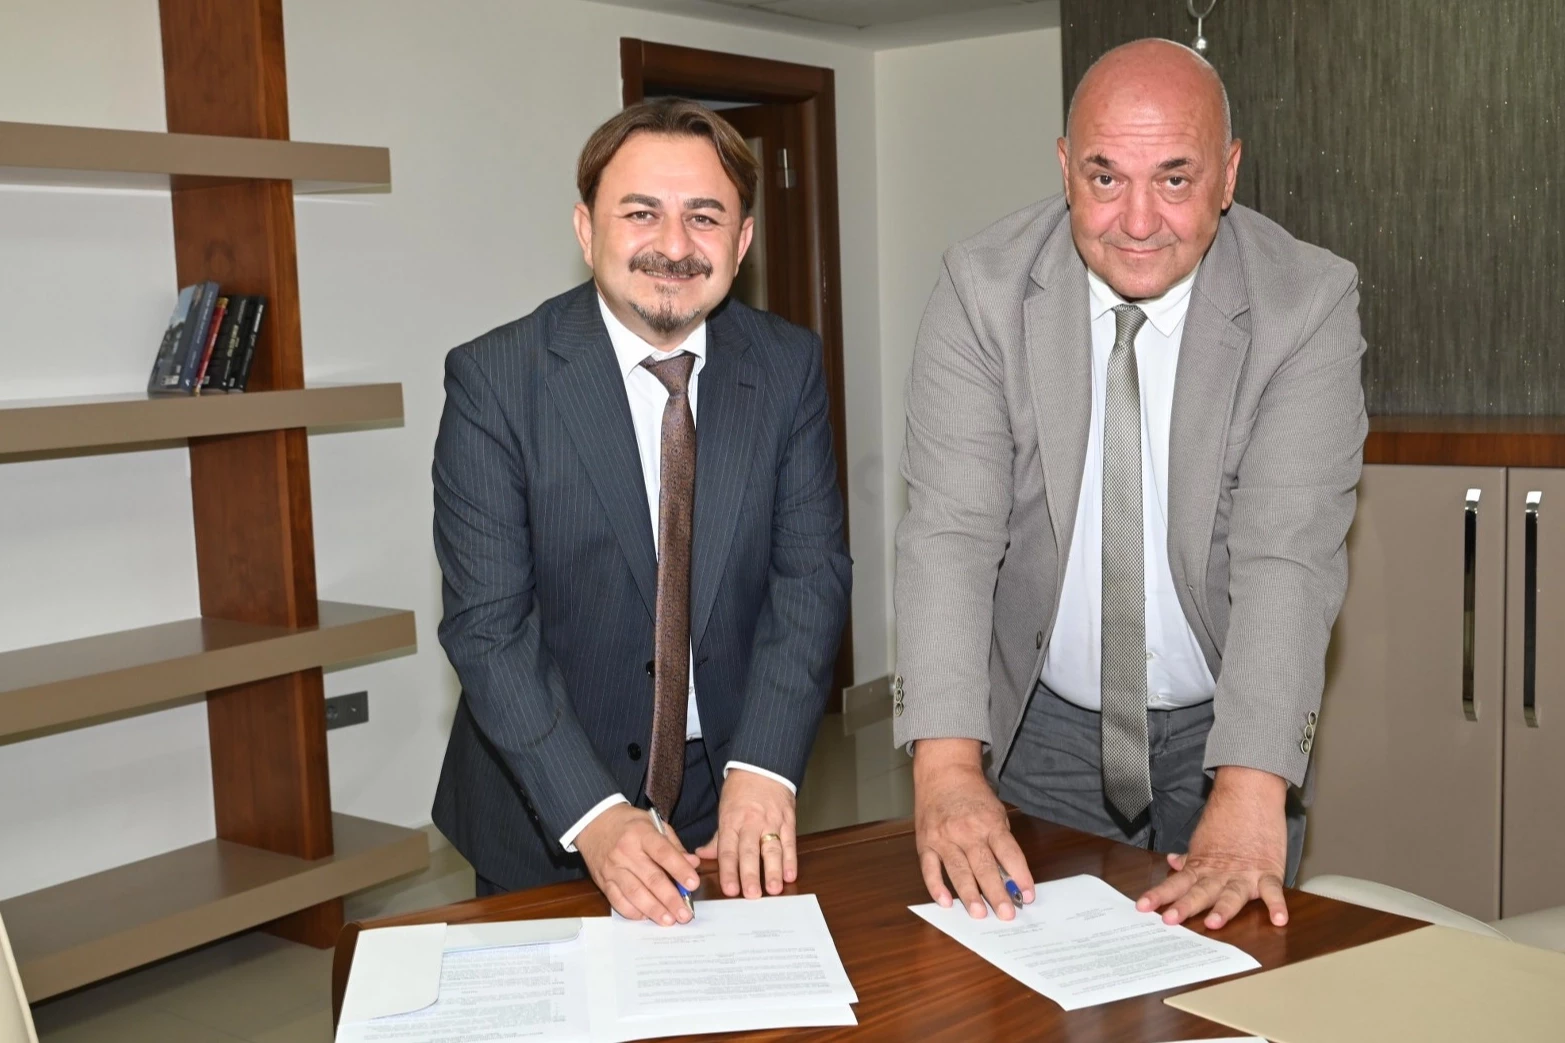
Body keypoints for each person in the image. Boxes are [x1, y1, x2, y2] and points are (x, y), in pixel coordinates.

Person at [894, 39, 1366, 932]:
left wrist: (1251, 784)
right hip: (1040, 723)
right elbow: (950, 534)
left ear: (1227, 175)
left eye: (1175, 179)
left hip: (1226, 723)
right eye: (1105, 177)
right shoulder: (980, 289)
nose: (1137, 221)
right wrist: (948, 768)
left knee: (1232, 984)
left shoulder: (1304, 303)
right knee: (1026, 983)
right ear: (1065, 168)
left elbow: (1286, 555)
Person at [431, 98, 851, 926]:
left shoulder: (787, 365)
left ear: (742, 240)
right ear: (586, 230)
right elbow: (488, 629)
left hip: (726, 796)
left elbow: (809, 578)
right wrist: (593, 815)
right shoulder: (495, 381)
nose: (674, 245)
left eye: (705, 216)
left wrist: (764, 764)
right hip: (549, 802)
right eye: (640, 213)